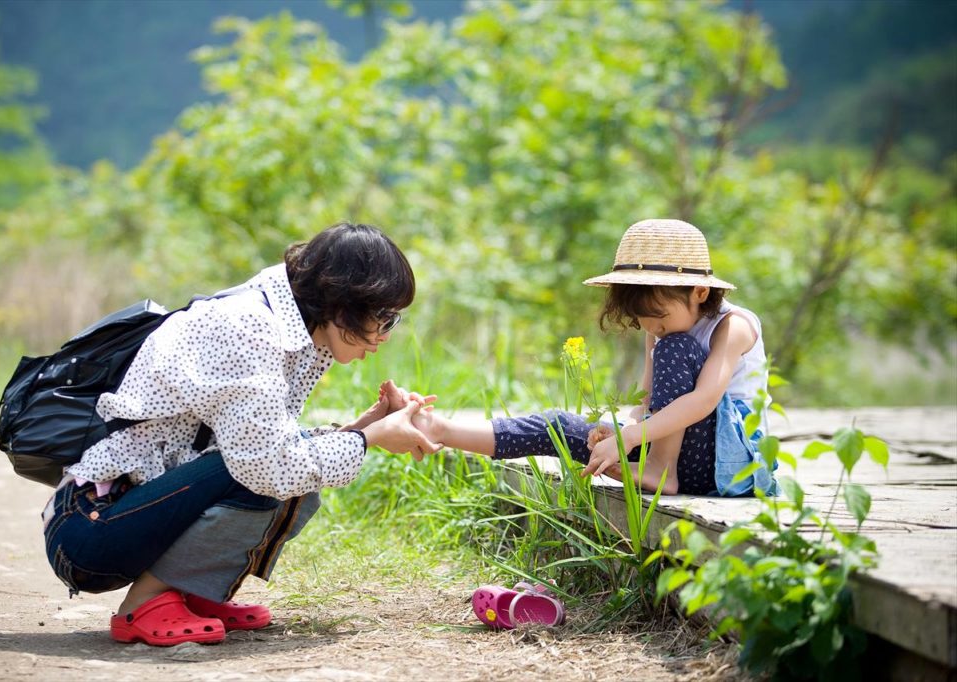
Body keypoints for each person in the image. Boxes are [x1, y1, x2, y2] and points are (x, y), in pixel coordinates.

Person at [41, 222, 442, 647]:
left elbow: (275, 449)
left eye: (393, 318)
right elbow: (266, 467)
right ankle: (143, 604)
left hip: (131, 511)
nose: (385, 334)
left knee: (295, 467)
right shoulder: (249, 327)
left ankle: (191, 592)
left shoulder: (293, 329)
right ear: (341, 302)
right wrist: (373, 437)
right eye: (381, 316)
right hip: (90, 530)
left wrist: (368, 424)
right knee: (271, 470)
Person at [412, 218, 777, 498]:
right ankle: (440, 430)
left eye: (659, 317)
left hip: (724, 463)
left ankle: (659, 468)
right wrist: (617, 431)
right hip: (676, 449)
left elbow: (703, 400)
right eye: (642, 320)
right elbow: (649, 403)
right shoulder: (661, 330)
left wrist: (634, 437)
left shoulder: (733, 327)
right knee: (557, 426)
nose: (652, 328)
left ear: (699, 291)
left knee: (676, 346)